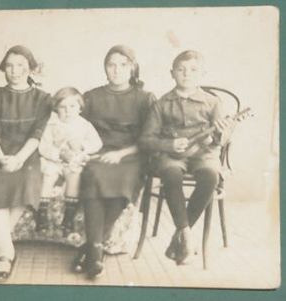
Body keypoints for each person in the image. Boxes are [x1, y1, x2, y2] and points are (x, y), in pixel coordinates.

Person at [139, 50, 235, 265]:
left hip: (204, 153)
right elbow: (145, 139)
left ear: (203, 73)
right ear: (172, 73)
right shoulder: (162, 104)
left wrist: (218, 134)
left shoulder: (213, 103)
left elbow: (223, 138)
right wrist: (169, 144)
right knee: (171, 175)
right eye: (180, 69)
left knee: (210, 177)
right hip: (173, 155)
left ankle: (180, 237)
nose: (186, 74)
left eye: (193, 70)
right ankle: (186, 233)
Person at [75, 45, 156, 279]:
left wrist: (121, 154)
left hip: (131, 155)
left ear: (133, 68)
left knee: (125, 179)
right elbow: (78, 129)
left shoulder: (145, 98)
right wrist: (85, 150)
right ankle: (95, 251)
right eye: (111, 64)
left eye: (123, 65)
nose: (117, 70)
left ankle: (91, 248)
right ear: (105, 68)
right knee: (92, 174)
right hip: (98, 152)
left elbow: (150, 136)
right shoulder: (91, 96)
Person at [0, 45, 52, 282]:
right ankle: (7, 253)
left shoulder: (43, 99)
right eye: (10, 65)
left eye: (21, 65)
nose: (15, 70)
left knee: (27, 178)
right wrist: (1, 158)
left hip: (28, 153)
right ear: (4, 68)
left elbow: (38, 134)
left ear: (30, 67)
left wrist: (19, 158)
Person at [36, 87, 102, 237]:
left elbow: (97, 143)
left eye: (72, 106)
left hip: (74, 160)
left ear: (80, 108)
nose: (68, 111)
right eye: (63, 107)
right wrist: (58, 153)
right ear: (56, 109)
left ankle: (69, 217)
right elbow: (43, 146)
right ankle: (42, 214)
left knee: (75, 176)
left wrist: (83, 147)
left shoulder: (84, 125)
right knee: (48, 175)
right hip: (54, 160)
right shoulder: (51, 125)